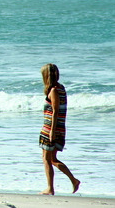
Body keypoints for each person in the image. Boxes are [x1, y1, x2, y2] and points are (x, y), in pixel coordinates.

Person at [39, 63, 80, 195]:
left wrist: (51, 131)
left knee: (47, 158)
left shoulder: (54, 90)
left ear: (46, 75)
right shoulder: (60, 88)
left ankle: (52, 188)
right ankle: (72, 181)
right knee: (51, 159)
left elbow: (56, 111)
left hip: (51, 128)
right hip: (58, 128)